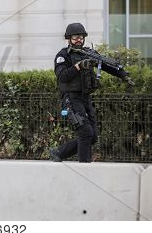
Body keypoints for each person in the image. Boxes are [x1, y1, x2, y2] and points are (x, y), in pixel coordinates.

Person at [50, 23, 134, 163]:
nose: (79, 40)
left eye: (81, 37)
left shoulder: (89, 53)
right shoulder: (63, 55)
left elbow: (106, 65)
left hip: (85, 98)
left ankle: (59, 152)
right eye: (75, 37)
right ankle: (85, 166)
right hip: (71, 98)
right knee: (85, 132)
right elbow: (62, 77)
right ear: (69, 38)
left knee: (93, 136)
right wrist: (78, 66)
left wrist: (124, 75)